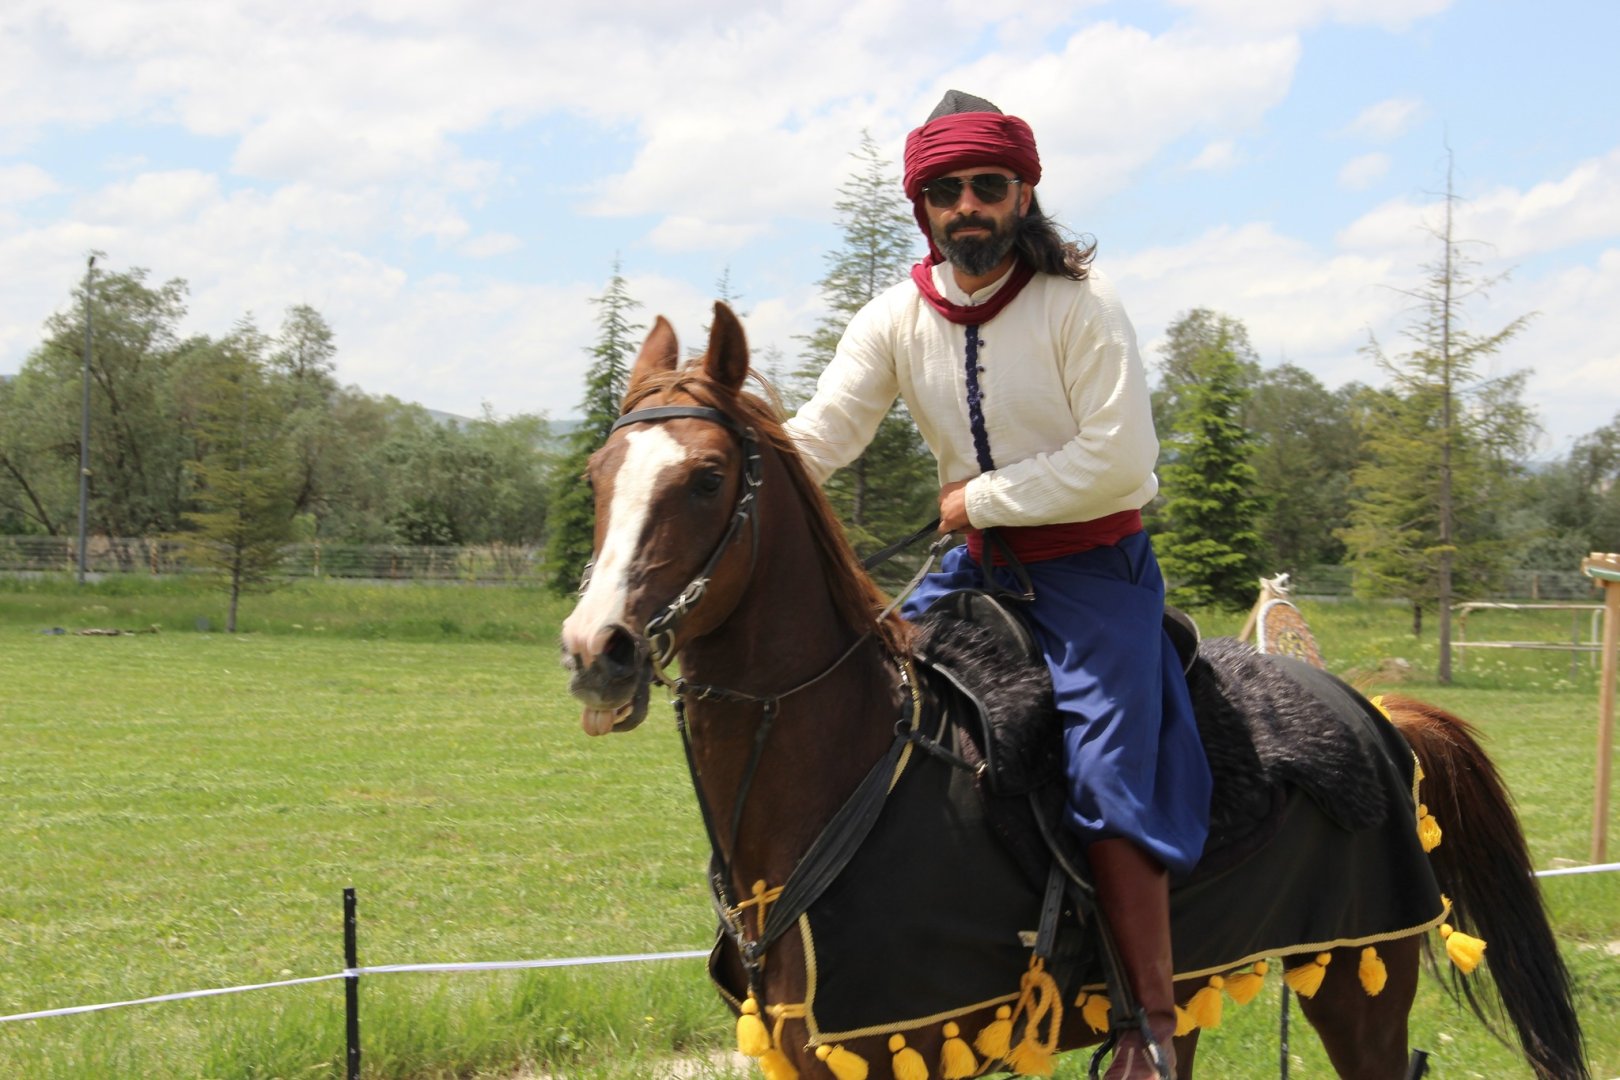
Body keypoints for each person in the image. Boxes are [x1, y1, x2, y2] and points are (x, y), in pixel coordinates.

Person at [784, 90, 1211, 1079]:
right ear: (922, 207)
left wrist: (979, 498)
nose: (967, 205)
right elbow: (824, 436)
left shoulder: (1082, 306)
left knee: (1105, 766)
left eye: (987, 185)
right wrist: (720, 457)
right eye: (946, 191)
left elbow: (1122, 461)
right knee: (861, 705)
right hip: (974, 573)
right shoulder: (894, 318)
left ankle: (1150, 1027)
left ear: (1024, 193)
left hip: (1093, 574)